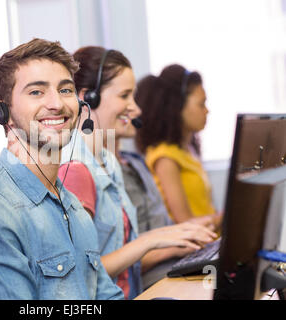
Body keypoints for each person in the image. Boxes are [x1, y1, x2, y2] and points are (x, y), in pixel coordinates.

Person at [0, 38, 123, 300]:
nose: (57, 104)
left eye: (65, 90)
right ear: (3, 112)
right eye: (36, 92)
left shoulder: (72, 207)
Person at [59, 46, 217, 298]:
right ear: (88, 98)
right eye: (125, 96)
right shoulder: (75, 169)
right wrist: (152, 241)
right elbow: (81, 271)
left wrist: (168, 235)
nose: (136, 108)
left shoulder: (108, 164)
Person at [134, 64, 222, 227]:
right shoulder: (165, 158)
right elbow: (185, 223)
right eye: (201, 104)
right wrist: (223, 218)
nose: (206, 111)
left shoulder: (188, 151)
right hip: (196, 248)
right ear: (178, 108)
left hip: (211, 243)